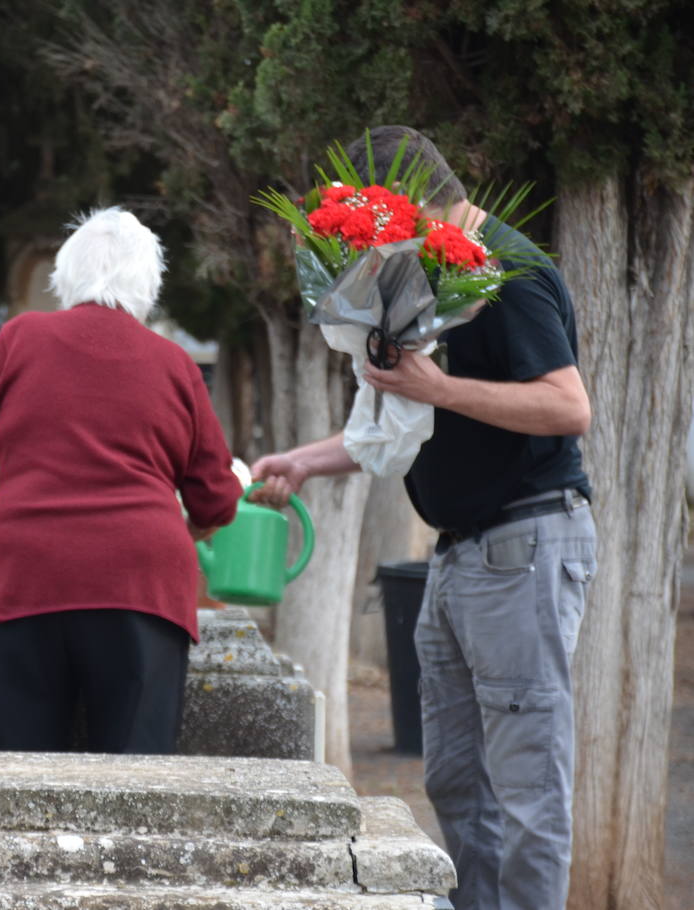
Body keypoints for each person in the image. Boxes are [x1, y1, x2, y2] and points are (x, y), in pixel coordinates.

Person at [251, 126, 596, 910]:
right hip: (460, 555)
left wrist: (437, 389)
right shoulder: (433, 274)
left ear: (396, 212)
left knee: (527, 790)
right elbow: (411, 411)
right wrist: (306, 459)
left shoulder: (506, 272)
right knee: (454, 779)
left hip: (523, 543)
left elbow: (568, 406)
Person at [0, 207, 240, 755]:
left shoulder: (21, 338)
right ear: (150, 285)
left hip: (30, 578)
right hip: (143, 586)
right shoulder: (175, 364)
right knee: (135, 786)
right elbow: (214, 498)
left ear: (64, 277)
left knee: (15, 784)